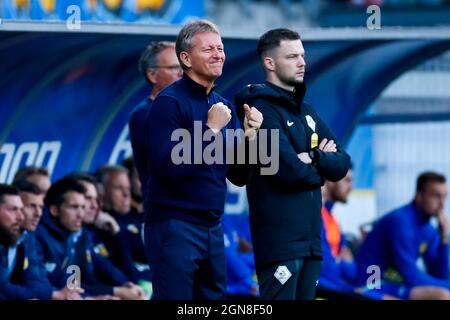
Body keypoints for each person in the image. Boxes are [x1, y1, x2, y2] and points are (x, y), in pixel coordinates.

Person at [144, 19, 262, 300]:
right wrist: (210, 130)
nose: (218, 54)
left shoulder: (221, 104)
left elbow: (237, 176)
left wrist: (249, 137)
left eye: (220, 48)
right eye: (208, 49)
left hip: (212, 226)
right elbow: (168, 169)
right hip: (174, 225)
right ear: (185, 58)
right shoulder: (168, 104)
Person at [235, 28, 351, 300]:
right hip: (280, 244)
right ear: (270, 63)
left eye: (302, 56)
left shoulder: (307, 112)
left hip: (311, 243)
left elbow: (342, 164)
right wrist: (319, 166)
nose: (302, 63)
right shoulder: (260, 109)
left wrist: (312, 157)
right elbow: (288, 172)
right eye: (292, 57)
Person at [353, 171, 450, 300]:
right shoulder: (400, 222)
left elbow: (439, 274)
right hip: (372, 284)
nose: (442, 204)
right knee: (441, 295)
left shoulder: (429, 230)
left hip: (394, 284)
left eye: (445, 197)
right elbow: (412, 276)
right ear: (419, 196)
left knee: (442, 293)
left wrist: (444, 239)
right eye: (436, 196)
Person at [129, 41, 182, 203]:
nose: (182, 73)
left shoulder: (184, 109)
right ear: (152, 75)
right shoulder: (146, 114)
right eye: (174, 68)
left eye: (185, 67)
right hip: (168, 214)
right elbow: (176, 163)